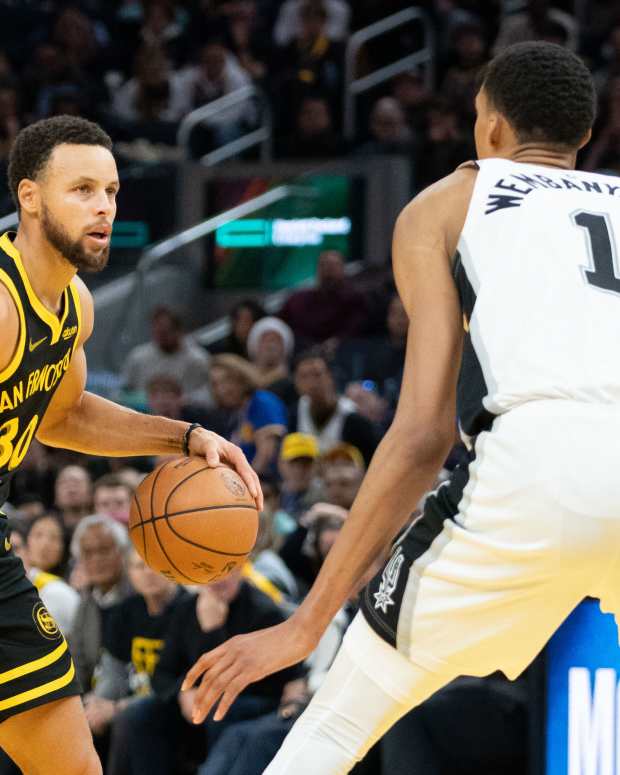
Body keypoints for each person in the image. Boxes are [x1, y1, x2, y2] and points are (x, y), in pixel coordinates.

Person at [183, 42, 613, 775]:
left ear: (493, 131)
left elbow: (423, 432)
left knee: (341, 715)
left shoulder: (452, 200)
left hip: (534, 469)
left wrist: (306, 622)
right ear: (584, 136)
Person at [0, 114, 260, 775]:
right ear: (29, 197)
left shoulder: (72, 307)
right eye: (82, 188)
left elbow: (63, 414)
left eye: (111, 191)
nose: (104, 207)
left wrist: (186, 437)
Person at [290, 351, 379, 466]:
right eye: (304, 377)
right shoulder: (294, 414)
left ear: (330, 377)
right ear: (296, 383)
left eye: (317, 375)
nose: (311, 383)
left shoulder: (354, 419)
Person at [209, 354, 288, 474]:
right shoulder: (234, 414)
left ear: (242, 377)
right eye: (216, 384)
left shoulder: (262, 402)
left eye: (227, 380)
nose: (222, 390)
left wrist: (246, 484)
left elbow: (267, 454)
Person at [122, 305, 212, 404]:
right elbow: (123, 391)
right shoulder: (138, 357)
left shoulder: (198, 360)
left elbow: (208, 394)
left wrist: (180, 401)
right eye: (157, 332)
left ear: (179, 331)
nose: (161, 338)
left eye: (165, 333)